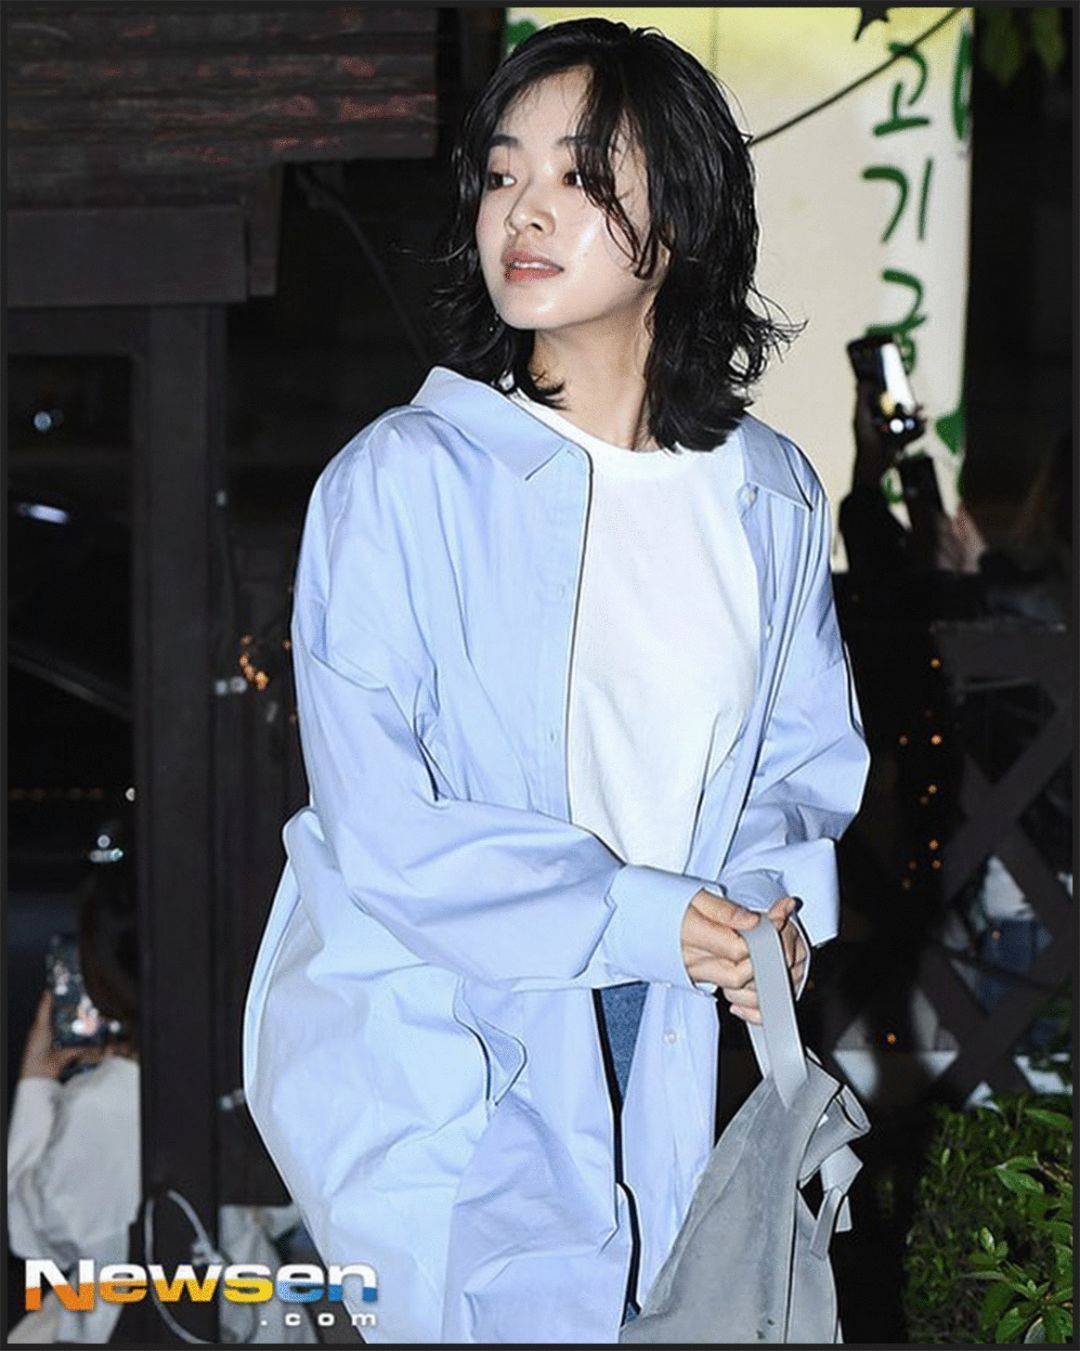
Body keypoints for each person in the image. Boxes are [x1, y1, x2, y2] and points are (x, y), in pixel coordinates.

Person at [243, 18, 870, 1345]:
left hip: (673, 1018)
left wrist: (768, 912)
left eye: (580, 176)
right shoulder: (401, 481)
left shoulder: (766, 493)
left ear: (681, 220)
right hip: (448, 1018)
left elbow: (798, 765)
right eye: (500, 172)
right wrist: (645, 917)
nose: (522, 209)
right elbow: (383, 820)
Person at [6, 829, 315, 1346]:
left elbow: (36, 1236)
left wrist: (37, 1081)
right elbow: (286, 1206)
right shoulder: (257, 1071)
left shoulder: (103, 1106)